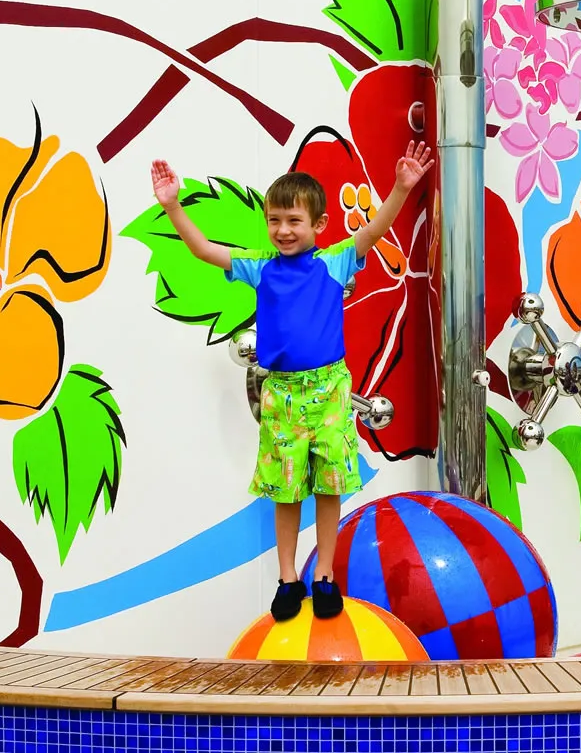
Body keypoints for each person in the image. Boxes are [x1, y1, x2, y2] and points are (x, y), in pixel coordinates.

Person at [149, 142, 431, 621]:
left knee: (329, 485)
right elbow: (202, 250)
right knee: (285, 490)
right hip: (281, 391)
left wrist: (402, 188)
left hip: (331, 389)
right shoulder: (261, 267)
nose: (283, 230)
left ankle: (325, 573)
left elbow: (376, 228)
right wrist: (173, 205)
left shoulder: (334, 262)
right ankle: (287, 578)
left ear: (319, 226)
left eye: (294, 221)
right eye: (275, 220)